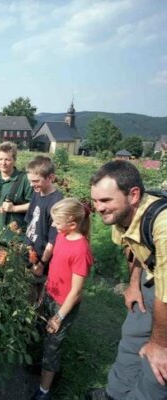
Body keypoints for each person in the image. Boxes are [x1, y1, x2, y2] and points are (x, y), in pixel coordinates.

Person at [88, 160, 167, 400]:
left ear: (133, 195)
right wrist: (134, 284)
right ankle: (115, 393)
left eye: (105, 201)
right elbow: (132, 249)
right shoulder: (122, 216)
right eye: (95, 201)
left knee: (158, 366)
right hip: (152, 276)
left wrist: (159, 344)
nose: (98, 208)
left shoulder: (163, 226)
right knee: (133, 333)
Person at [32, 198, 93, 400]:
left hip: (63, 306)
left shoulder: (81, 250)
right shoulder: (62, 236)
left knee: (53, 346)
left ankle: (44, 390)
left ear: (72, 223)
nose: (53, 225)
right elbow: (55, 270)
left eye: (57, 222)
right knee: (43, 332)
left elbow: (75, 291)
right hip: (50, 295)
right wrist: (44, 292)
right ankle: (45, 368)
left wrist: (58, 317)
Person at [0, 141, 32, 243]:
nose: (3, 163)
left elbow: (35, 204)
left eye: (7, 159)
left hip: (15, 238)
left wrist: (14, 208)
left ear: (14, 160)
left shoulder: (24, 179)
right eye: (0, 159)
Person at [25, 156, 63, 277]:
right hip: (30, 250)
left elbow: (53, 239)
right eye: (30, 181)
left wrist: (41, 264)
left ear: (50, 177)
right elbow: (30, 221)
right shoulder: (37, 192)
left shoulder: (56, 203)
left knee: (37, 289)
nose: (32, 185)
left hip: (42, 257)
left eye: (36, 181)